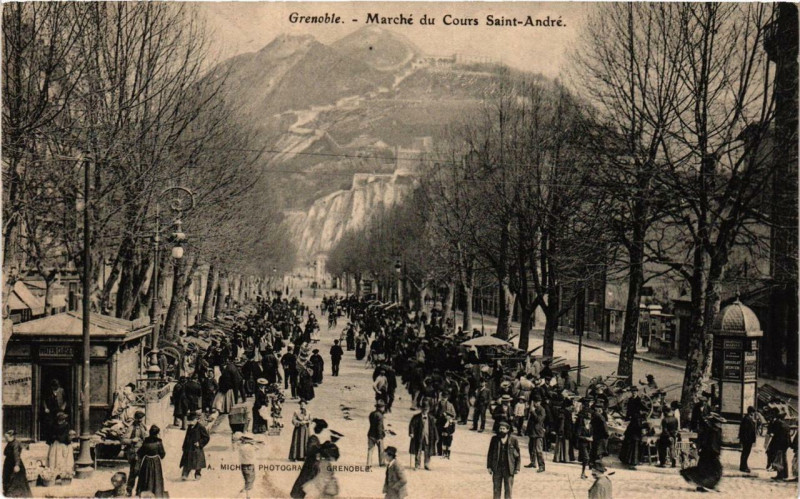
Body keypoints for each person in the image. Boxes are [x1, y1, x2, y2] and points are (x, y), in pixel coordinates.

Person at [680, 413, 723, 492]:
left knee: (709, 470)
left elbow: (717, 443)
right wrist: (713, 452)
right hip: (709, 454)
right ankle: (706, 485)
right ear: (714, 423)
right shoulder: (710, 431)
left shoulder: (717, 431)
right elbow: (708, 443)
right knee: (713, 471)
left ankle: (705, 485)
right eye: (718, 423)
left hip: (711, 454)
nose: (720, 424)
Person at [487, 420, 520, 499]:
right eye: (500, 429)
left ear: (507, 430)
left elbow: (518, 456)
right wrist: (489, 466)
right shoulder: (494, 439)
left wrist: (517, 468)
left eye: (503, 429)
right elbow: (490, 453)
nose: (501, 430)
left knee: (508, 489)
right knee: (496, 489)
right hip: (497, 468)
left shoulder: (513, 440)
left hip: (509, 468)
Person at [122, 410, 149, 496]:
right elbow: (123, 440)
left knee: (142, 472)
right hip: (135, 453)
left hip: (143, 452)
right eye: (139, 419)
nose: (141, 421)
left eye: (142, 419)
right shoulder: (131, 428)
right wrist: (131, 440)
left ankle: (139, 490)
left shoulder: (143, 426)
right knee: (134, 471)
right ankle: (129, 490)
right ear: (136, 419)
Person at [136, 425, 166, 497]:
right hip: (156, 461)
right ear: (157, 433)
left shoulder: (146, 441)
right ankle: (156, 493)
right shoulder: (159, 442)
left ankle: (145, 492)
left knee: (146, 476)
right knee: (156, 477)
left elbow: (140, 452)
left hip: (147, 461)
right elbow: (162, 454)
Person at [180, 412, 210, 480]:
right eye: (189, 421)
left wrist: (199, 443)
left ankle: (197, 474)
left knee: (198, 462)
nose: (191, 422)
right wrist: (184, 446)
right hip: (189, 447)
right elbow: (186, 437)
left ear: (196, 419)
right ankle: (185, 474)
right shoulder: (190, 427)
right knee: (187, 461)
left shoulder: (201, 427)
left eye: (192, 420)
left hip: (197, 448)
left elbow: (206, 437)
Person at [409, 401, 438, 470]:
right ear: (421, 409)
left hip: (428, 437)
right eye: (424, 409)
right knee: (418, 450)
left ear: (428, 410)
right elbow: (411, 425)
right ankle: (417, 464)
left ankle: (426, 464)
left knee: (427, 451)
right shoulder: (416, 417)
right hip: (419, 437)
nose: (425, 411)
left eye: (426, 410)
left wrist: (436, 437)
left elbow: (434, 428)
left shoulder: (431, 418)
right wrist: (411, 433)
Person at [3, 430, 32, 498]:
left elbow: (16, 455)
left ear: (12, 436)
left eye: (7, 437)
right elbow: (5, 452)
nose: (6, 439)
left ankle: (16, 494)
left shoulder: (15, 444)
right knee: (7, 478)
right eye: (5, 438)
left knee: (16, 481)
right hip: (9, 464)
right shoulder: (10, 443)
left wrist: (17, 465)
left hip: (14, 464)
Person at [234, 433, 259, 499]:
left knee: (246, 478)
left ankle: (244, 488)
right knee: (250, 480)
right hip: (250, 465)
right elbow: (258, 448)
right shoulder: (252, 447)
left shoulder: (241, 447)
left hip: (243, 465)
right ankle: (248, 496)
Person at [525, 395, 546, 472]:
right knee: (531, 448)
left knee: (538, 450)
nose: (535, 403)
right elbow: (529, 421)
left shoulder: (542, 410)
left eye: (537, 402)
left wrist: (533, 412)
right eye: (534, 402)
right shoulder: (533, 409)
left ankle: (541, 466)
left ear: (540, 402)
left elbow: (539, 420)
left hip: (538, 433)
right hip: (532, 432)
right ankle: (533, 462)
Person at [769, 410, 792, 480]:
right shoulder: (786, 425)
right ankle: (785, 474)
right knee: (784, 459)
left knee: (779, 459)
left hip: (779, 444)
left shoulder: (777, 423)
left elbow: (773, 433)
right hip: (785, 444)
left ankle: (780, 475)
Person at [737, 406, 757, 473]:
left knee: (746, 453)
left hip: (748, 439)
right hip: (747, 440)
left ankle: (744, 466)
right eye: (753, 412)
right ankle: (743, 467)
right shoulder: (747, 419)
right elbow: (745, 430)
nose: (753, 413)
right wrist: (746, 439)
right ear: (751, 412)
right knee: (745, 453)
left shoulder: (748, 418)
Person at [368, 400, 387, 467]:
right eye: (383, 407)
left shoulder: (371, 414)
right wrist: (379, 437)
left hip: (370, 434)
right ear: (381, 408)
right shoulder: (380, 416)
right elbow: (379, 427)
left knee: (370, 450)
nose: (384, 408)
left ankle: (369, 464)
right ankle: (382, 463)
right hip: (378, 436)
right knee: (381, 450)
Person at [577, 414, 593, 479]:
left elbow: (592, 433)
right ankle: (583, 473)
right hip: (582, 444)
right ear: (584, 420)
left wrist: (592, 437)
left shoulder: (590, 426)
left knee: (585, 459)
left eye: (589, 420)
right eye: (586, 419)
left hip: (589, 444)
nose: (587, 421)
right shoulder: (581, 427)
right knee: (586, 458)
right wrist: (586, 438)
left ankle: (583, 473)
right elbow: (578, 435)